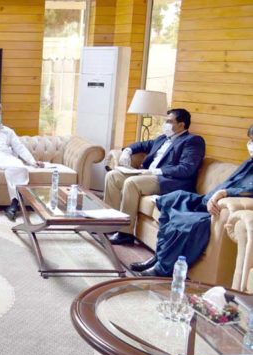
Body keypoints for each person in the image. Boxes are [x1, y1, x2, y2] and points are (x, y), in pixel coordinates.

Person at [131, 125, 253, 276]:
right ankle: (159, 256)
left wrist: (224, 192)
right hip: (206, 200)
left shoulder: (193, 141)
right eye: (250, 140)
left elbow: (247, 189)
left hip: (217, 208)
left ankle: (162, 267)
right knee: (171, 199)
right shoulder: (249, 162)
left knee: (185, 222)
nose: (250, 145)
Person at [105, 108, 206, 245]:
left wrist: (156, 171)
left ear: (181, 125)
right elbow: (142, 144)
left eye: (169, 121)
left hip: (168, 181)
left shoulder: (192, 141)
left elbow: (186, 169)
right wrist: (127, 151)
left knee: (131, 183)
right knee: (112, 176)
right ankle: (108, 223)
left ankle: (125, 233)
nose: (165, 124)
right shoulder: (163, 138)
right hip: (147, 175)